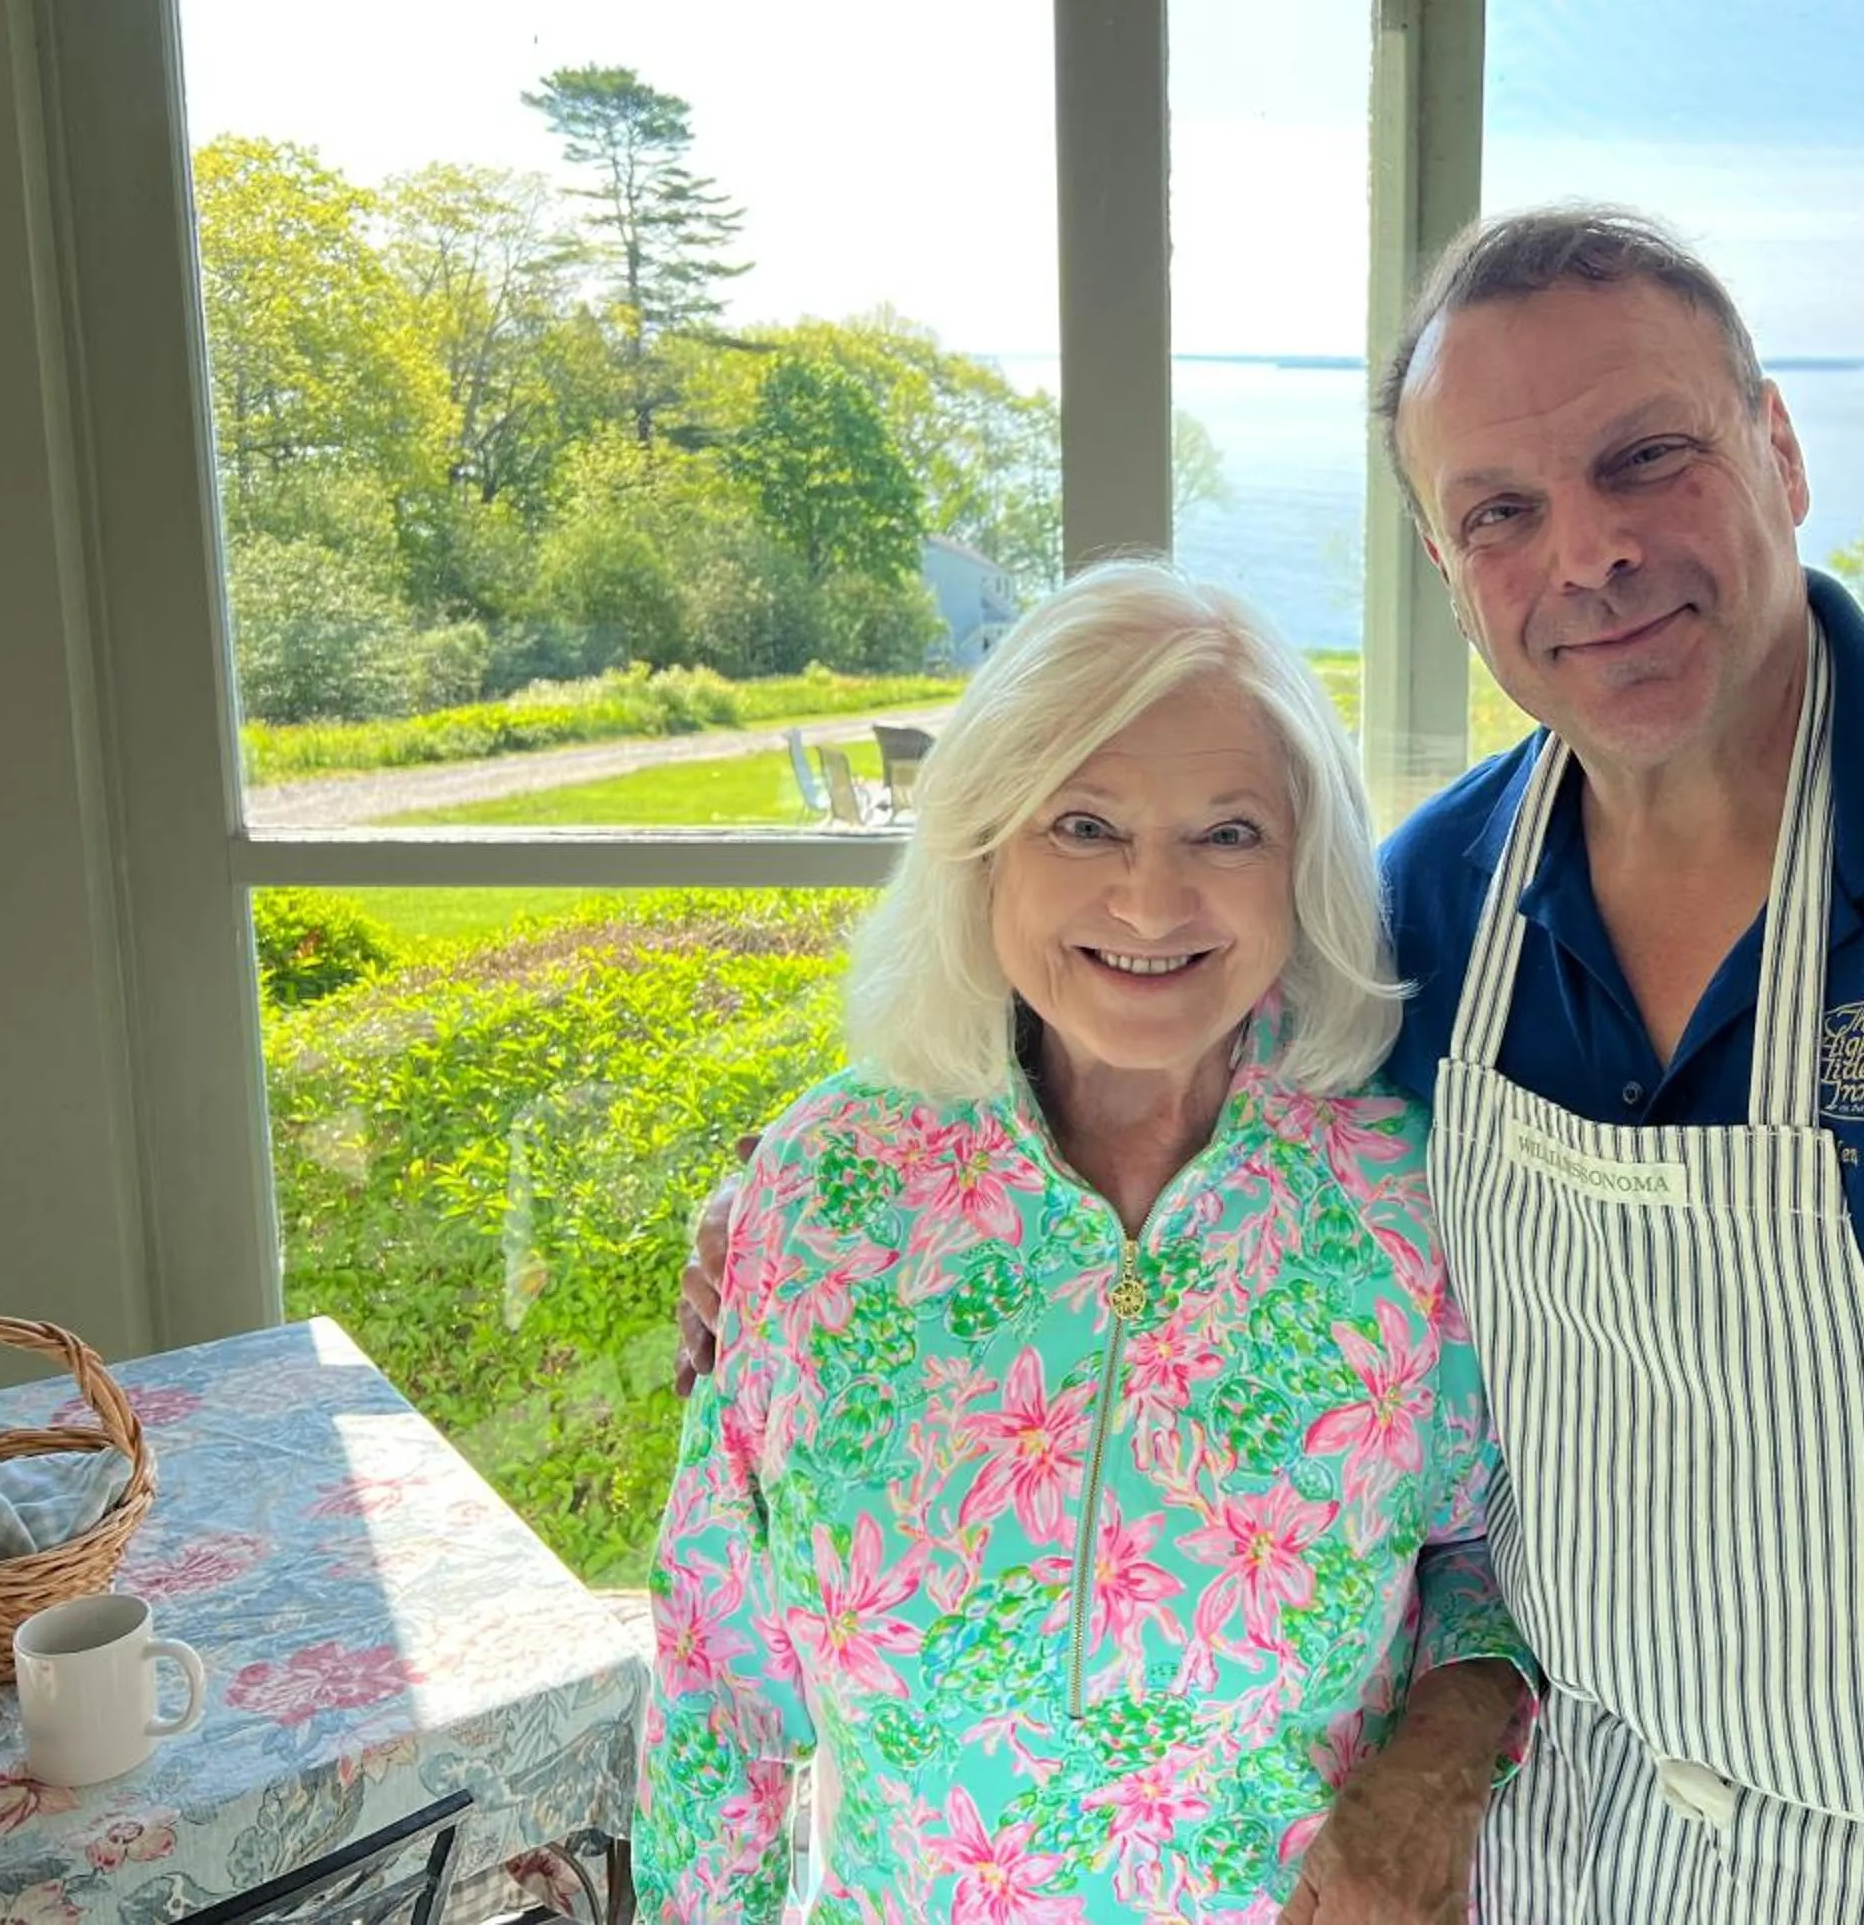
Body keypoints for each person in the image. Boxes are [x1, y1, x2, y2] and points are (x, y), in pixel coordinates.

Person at [688, 210, 1864, 1923]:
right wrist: (808, 1194)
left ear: (1779, 448)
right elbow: (1127, 1029)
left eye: (1645, 456)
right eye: (1496, 509)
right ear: (1448, 569)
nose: (1584, 549)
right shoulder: (1428, 915)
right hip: (1576, 1853)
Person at [637, 560, 1534, 1924]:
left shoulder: (1406, 1199)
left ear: (1305, 863)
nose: (1150, 901)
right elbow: (716, 1679)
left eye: (1227, 832)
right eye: (1084, 824)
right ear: (985, 843)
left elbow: (1492, 1552)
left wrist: (1440, 1761)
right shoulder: (823, 1190)